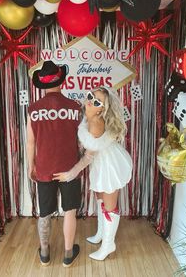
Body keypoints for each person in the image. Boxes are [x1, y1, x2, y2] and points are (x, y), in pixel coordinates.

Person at [53, 86, 132, 261]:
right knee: (100, 198)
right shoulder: (88, 115)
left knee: (110, 206)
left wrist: (70, 174)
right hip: (100, 162)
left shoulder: (96, 123)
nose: (90, 101)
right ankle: (101, 234)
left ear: (102, 109)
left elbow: (88, 156)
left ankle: (108, 245)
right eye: (90, 96)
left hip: (110, 165)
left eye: (96, 101)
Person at [27, 60, 81, 268]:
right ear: (62, 81)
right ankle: (68, 254)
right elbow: (81, 139)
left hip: (44, 167)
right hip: (70, 167)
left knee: (45, 212)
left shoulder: (33, 109)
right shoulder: (75, 107)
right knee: (70, 211)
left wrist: (30, 167)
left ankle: (44, 253)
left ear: (43, 84)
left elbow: (30, 142)